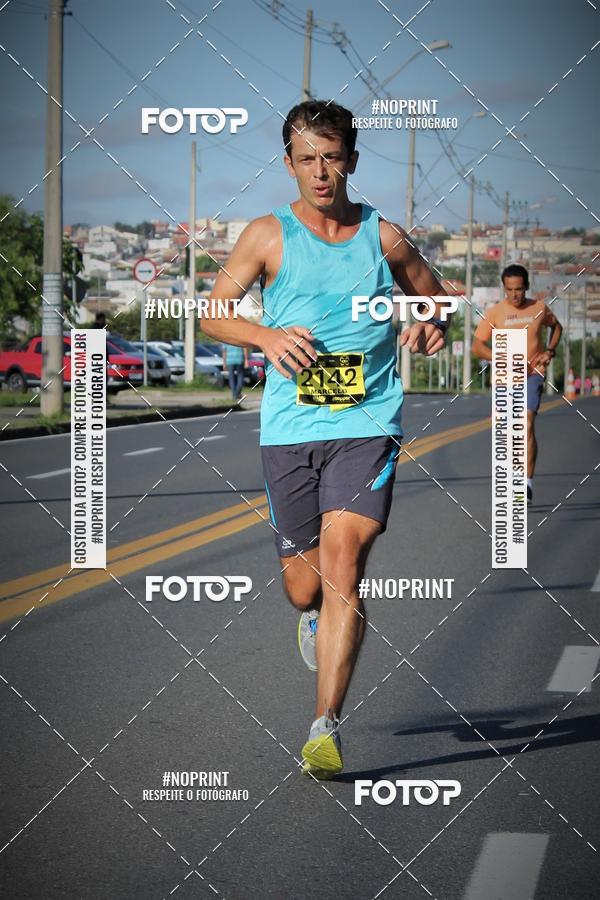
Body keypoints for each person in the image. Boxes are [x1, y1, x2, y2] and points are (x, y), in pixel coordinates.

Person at [202, 100, 449, 779]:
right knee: (303, 587)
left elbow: (437, 299)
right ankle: (311, 618)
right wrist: (265, 335)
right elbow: (213, 315)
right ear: (289, 163)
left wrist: (433, 326)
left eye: (332, 156)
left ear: (352, 161)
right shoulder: (265, 236)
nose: (320, 171)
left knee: (344, 562)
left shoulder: (384, 237)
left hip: (366, 424)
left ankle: (324, 726)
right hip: (290, 430)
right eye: (307, 157)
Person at [472, 264, 562, 506]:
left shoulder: (539, 308)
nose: (515, 295)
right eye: (510, 289)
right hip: (503, 377)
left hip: (532, 375)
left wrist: (549, 351)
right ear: (504, 288)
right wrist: (502, 356)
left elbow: (556, 327)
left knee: (526, 424)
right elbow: (477, 346)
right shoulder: (495, 313)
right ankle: (513, 475)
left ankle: (526, 483)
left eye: (519, 289)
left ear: (526, 287)